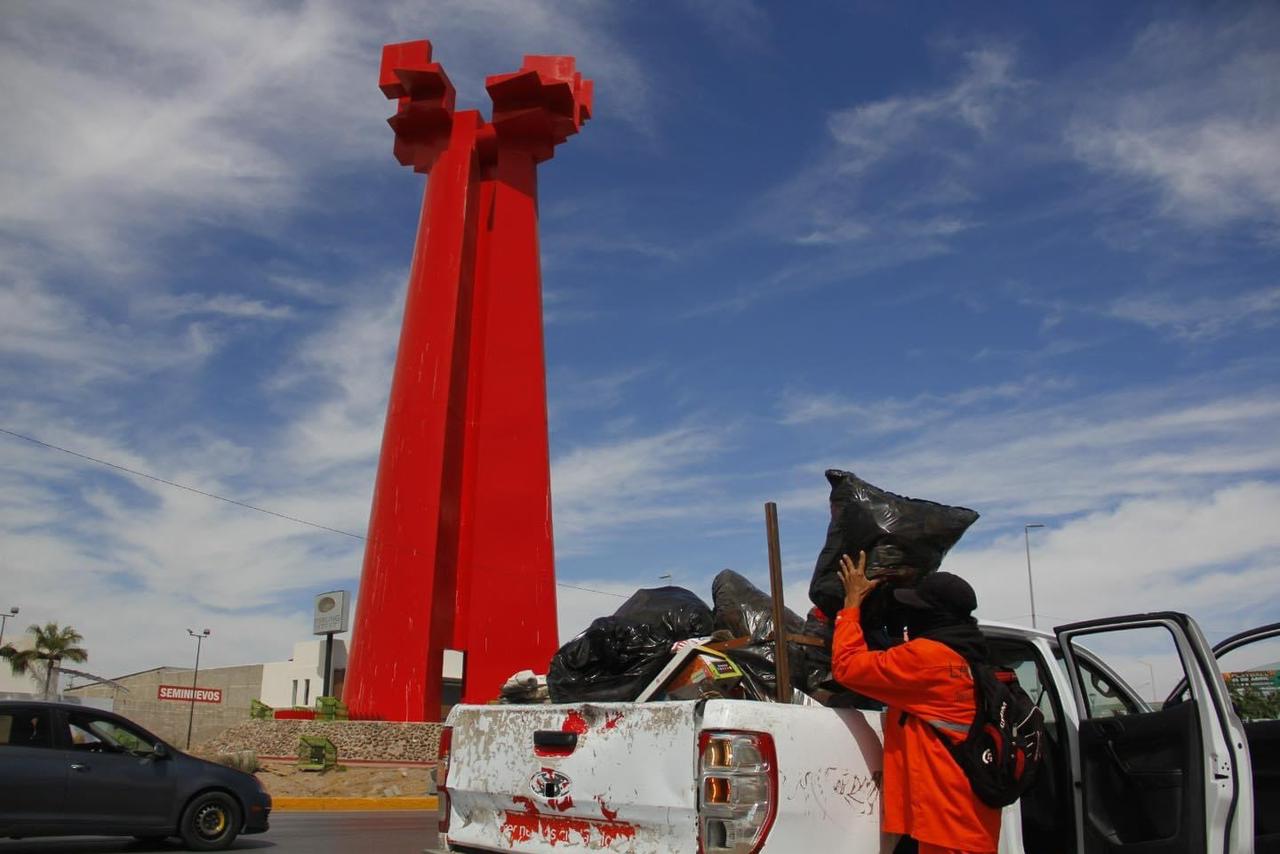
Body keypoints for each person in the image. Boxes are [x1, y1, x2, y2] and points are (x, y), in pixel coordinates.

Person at [831, 551, 999, 854]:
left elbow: (847, 667)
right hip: (966, 817)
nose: (910, 617)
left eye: (916, 609)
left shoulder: (927, 659)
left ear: (934, 616)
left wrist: (851, 605)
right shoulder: (967, 656)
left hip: (946, 825)